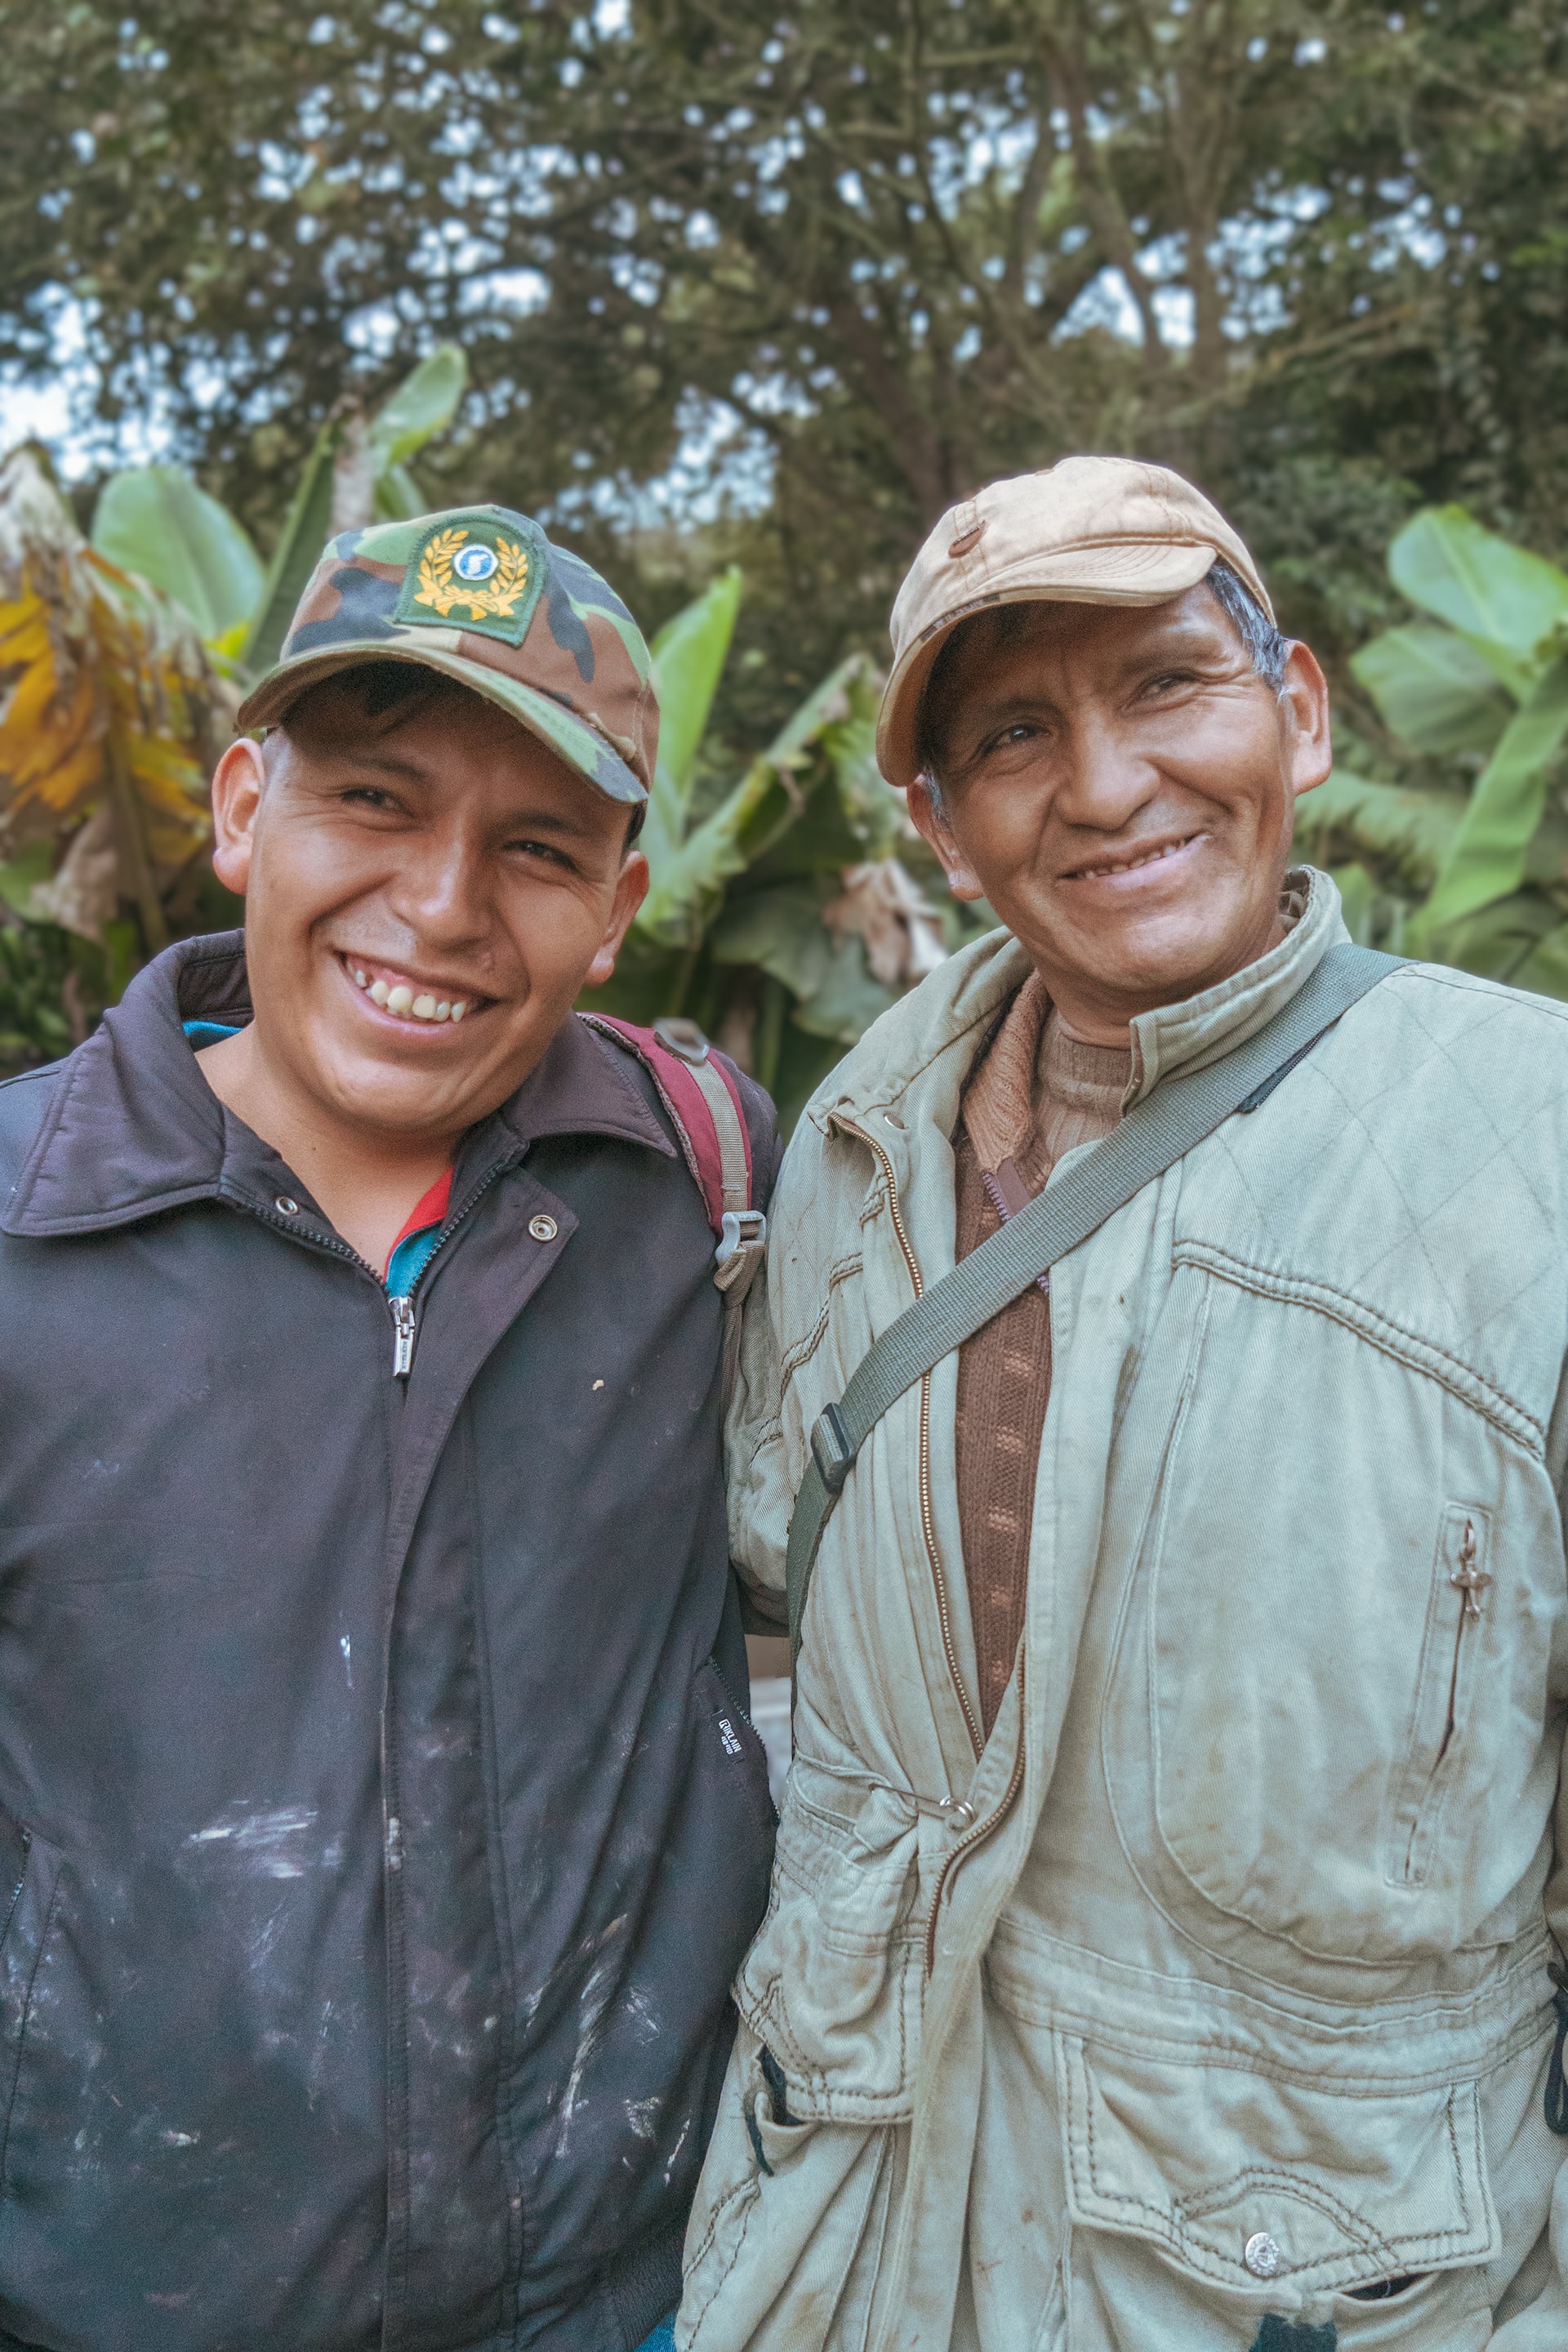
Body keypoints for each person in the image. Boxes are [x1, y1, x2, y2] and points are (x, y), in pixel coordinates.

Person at [679, 456, 1568, 2351]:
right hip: (849, 2248)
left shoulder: (1531, 1147)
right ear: (937, 823)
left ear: (1300, 712)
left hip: (1322, 2288)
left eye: (1167, 684)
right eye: (1015, 732)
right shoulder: (846, 1159)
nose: (1101, 783)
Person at [0, 504, 779, 2352]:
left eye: (535, 847)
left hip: (629, 2302)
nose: (440, 906)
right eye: (373, 801)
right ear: (242, 807)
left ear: (620, 908)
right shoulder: (24, 1220)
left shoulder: (703, 1190)